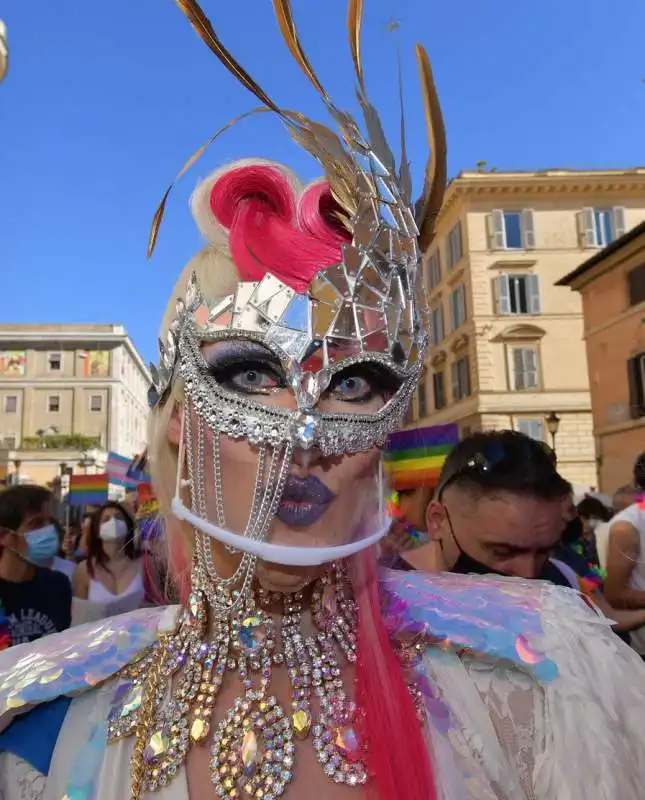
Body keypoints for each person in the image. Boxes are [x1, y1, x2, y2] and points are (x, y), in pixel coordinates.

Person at [2, 6, 645, 799]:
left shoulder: (539, 675)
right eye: (248, 377)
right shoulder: (42, 715)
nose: (302, 434)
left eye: (352, 383)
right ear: (178, 417)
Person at [0, 485, 72, 646]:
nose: (49, 530)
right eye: (36, 523)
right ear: (4, 536)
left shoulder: (58, 585)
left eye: (49, 521)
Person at [72, 501, 143, 605]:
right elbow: (80, 616)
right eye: (106, 519)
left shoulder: (143, 564)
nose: (113, 521)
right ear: (97, 531)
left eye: (119, 517)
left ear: (128, 526)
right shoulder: (85, 569)